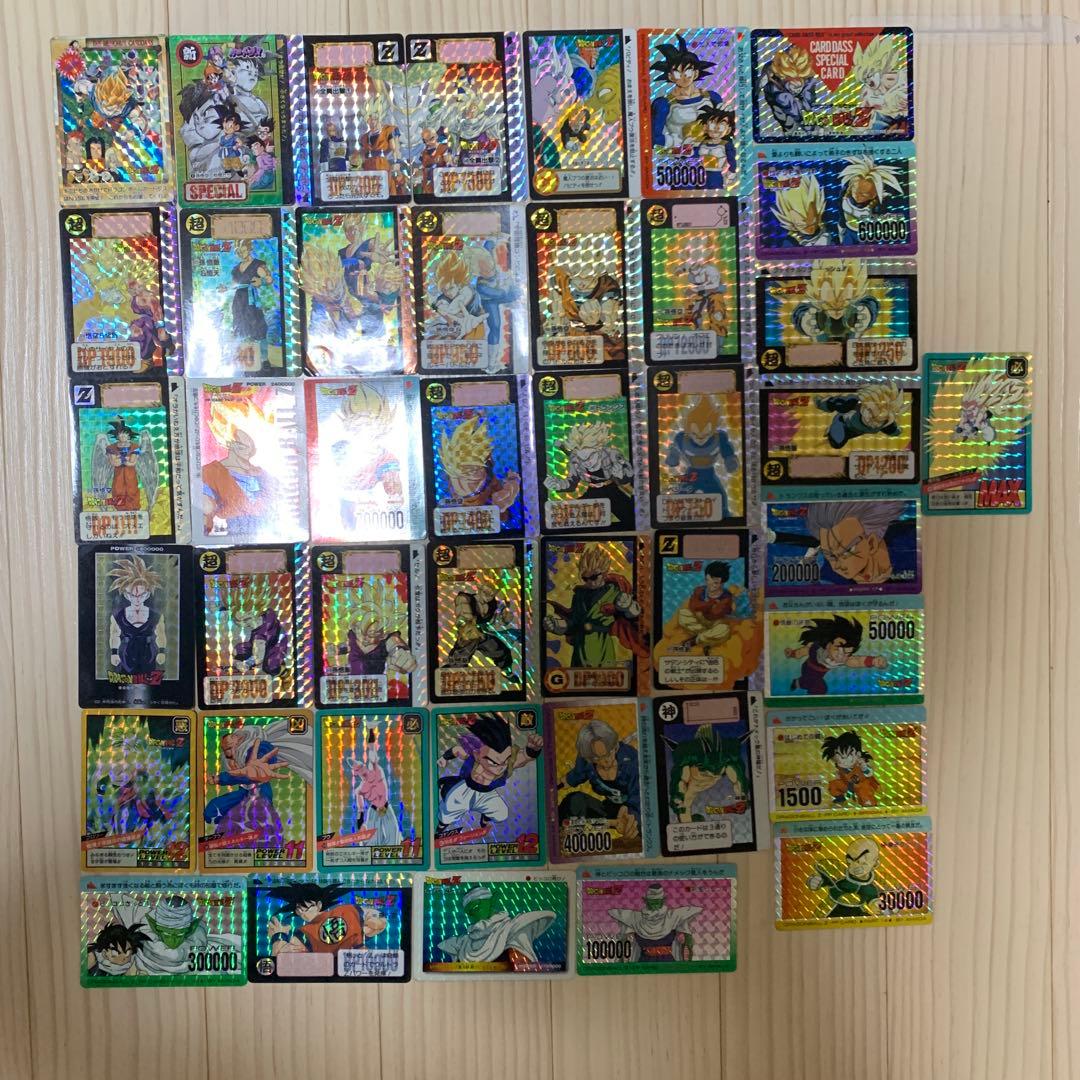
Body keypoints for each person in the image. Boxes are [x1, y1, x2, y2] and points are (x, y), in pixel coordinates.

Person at [436, 713, 542, 838]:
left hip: (486, 795)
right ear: (478, 754)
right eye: (493, 762)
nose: (500, 767)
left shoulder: (506, 764)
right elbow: (457, 750)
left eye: (504, 761)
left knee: (501, 813)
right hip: (463, 790)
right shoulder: (473, 755)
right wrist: (445, 757)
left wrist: (533, 749)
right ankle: (440, 828)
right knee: (448, 812)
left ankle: (485, 818)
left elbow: (524, 757)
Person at [557, 718, 640, 840]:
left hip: (634, 810)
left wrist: (631, 815)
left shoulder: (631, 759)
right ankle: (566, 838)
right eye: (597, 758)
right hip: (609, 810)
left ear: (615, 747)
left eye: (609, 753)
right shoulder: (586, 760)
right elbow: (572, 778)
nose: (606, 761)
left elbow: (639, 794)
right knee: (575, 800)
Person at [437, 886, 555, 966]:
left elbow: (523, 968)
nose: (473, 915)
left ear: (492, 901)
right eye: (470, 912)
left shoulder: (512, 929)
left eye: (476, 907)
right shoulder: (462, 943)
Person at [607, 884, 701, 962]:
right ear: (646, 901)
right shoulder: (635, 918)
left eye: (657, 901)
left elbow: (686, 944)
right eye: (652, 901)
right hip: (645, 962)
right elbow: (625, 946)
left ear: (663, 900)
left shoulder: (673, 917)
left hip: (667, 962)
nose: (655, 904)